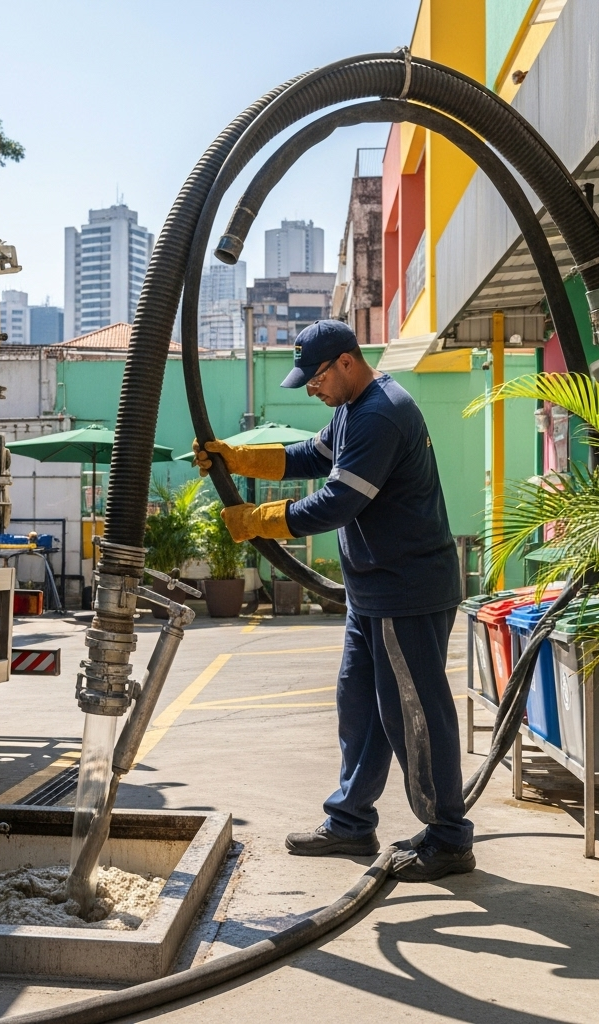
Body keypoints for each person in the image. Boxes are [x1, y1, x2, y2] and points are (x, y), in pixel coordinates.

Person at [193, 319, 473, 882]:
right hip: (373, 591)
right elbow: (310, 457)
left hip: (407, 592)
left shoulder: (380, 414)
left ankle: (448, 839)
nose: (311, 389)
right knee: (360, 706)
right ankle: (351, 821)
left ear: (347, 362)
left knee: (415, 714)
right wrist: (238, 459)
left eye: (315, 378)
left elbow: (336, 503)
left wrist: (258, 520)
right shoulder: (351, 409)